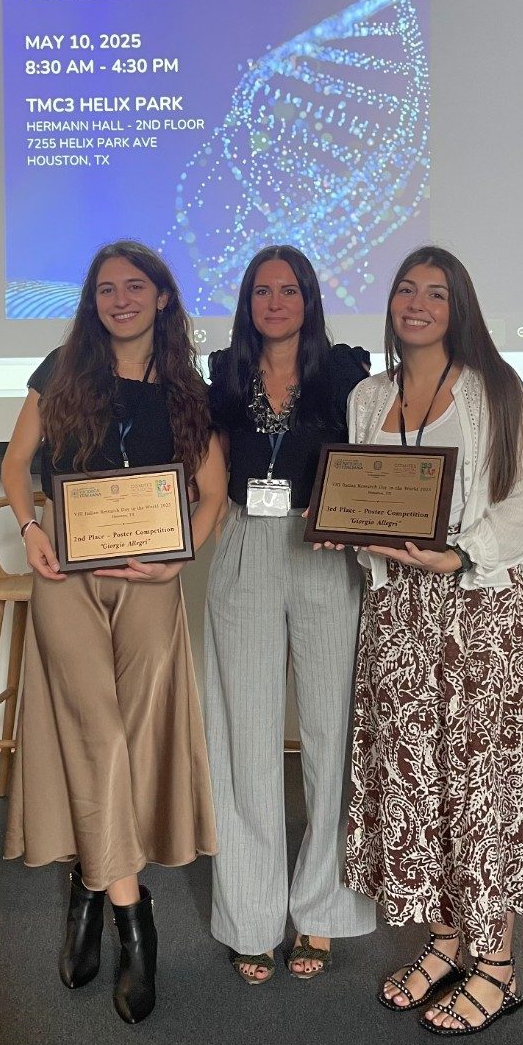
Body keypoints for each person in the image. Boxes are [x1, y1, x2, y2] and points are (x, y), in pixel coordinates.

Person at [343, 246, 523, 1035]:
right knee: (418, 786)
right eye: (405, 290)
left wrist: (458, 553)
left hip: (475, 614)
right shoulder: (366, 395)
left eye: (435, 293)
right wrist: (340, 527)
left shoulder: (496, 391)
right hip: (396, 618)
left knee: (482, 789)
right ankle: (446, 943)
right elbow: (359, 493)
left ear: (458, 307)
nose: (416, 303)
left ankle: (497, 966)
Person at [1, 240, 226, 1024]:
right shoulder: (60, 371)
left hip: (149, 577)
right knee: (96, 731)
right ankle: (135, 919)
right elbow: (16, 464)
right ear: (91, 301)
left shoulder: (189, 390)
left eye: (135, 286)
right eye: (106, 288)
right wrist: (29, 527)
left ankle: (87, 887)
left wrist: (181, 559)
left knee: (130, 735)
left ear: (162, 298)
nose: (119, 299)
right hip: (64, 570)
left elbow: (212, 492)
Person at [205, 245, 376, 984]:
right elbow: (211, 474)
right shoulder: (224, 374)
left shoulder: (343, 371)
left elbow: (369, 459)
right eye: (261, 291)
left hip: (322, 544)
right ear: (247, 303)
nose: (274, 303)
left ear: (309, 299)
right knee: (244, 735)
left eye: (288, 290)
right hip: (246, 540)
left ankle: (322, 910)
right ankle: (251, 915)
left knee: (332, 734)